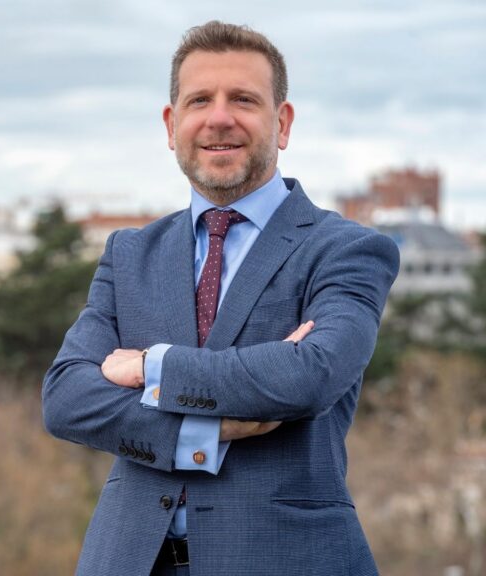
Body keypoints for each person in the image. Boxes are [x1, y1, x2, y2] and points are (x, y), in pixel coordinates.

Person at [42, 21, 399, 576]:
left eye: (244, 100)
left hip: (286, 559)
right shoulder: (130, 252)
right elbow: (66, 397)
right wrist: (201, 431)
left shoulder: (347, 249)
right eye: (199, 100)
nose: (219, 117)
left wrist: (149, 367)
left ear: (282, 123)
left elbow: (311, 375)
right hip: (128, 559)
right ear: (172, 124)